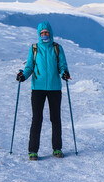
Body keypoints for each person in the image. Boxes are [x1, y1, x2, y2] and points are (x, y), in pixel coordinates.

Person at [16, 21, 70, 161]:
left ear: (50, 33)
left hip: (54, 88)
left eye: (46, 32)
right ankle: (33, 151)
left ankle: (57, 148)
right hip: (37, 89)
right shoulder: (34, 49)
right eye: (42, 33)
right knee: (37, 119)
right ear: (39, 35)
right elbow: (29, 67)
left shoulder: (57, 48)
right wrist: (23, 76)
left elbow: (62, 65)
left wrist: (64, 73)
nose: (44, 35)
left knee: (55, 119)